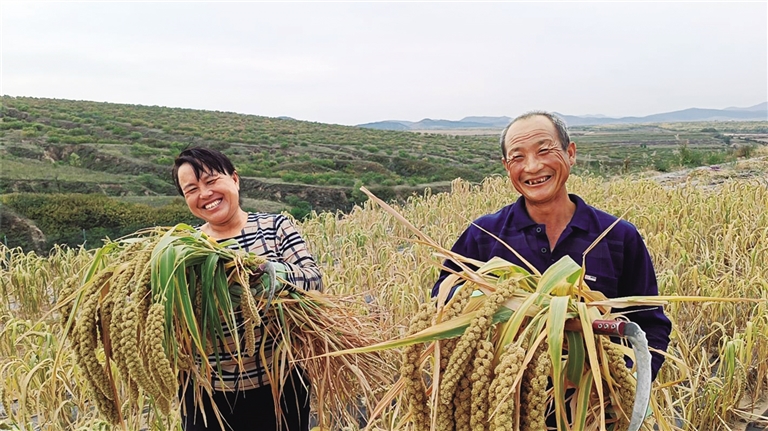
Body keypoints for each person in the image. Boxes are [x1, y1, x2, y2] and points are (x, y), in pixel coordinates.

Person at [433, 111, 671, 382]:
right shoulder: (483, 235)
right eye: (518, 157)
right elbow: (445, 305)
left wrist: (624, 386)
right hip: (503, 408)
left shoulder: (617, 235)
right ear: (506, 166)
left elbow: (649, 325)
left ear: (570, 153)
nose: (532, 167)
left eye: (544, 150)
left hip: (595, 413)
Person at [172, 147, 323, 431]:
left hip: (280, 386)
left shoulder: (275, 227)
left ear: (235, 179)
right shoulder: (183, 248)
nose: (205, 194)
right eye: (191, 189)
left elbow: (314, 281)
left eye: (211, 181)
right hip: (206, 395)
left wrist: (267, 275)